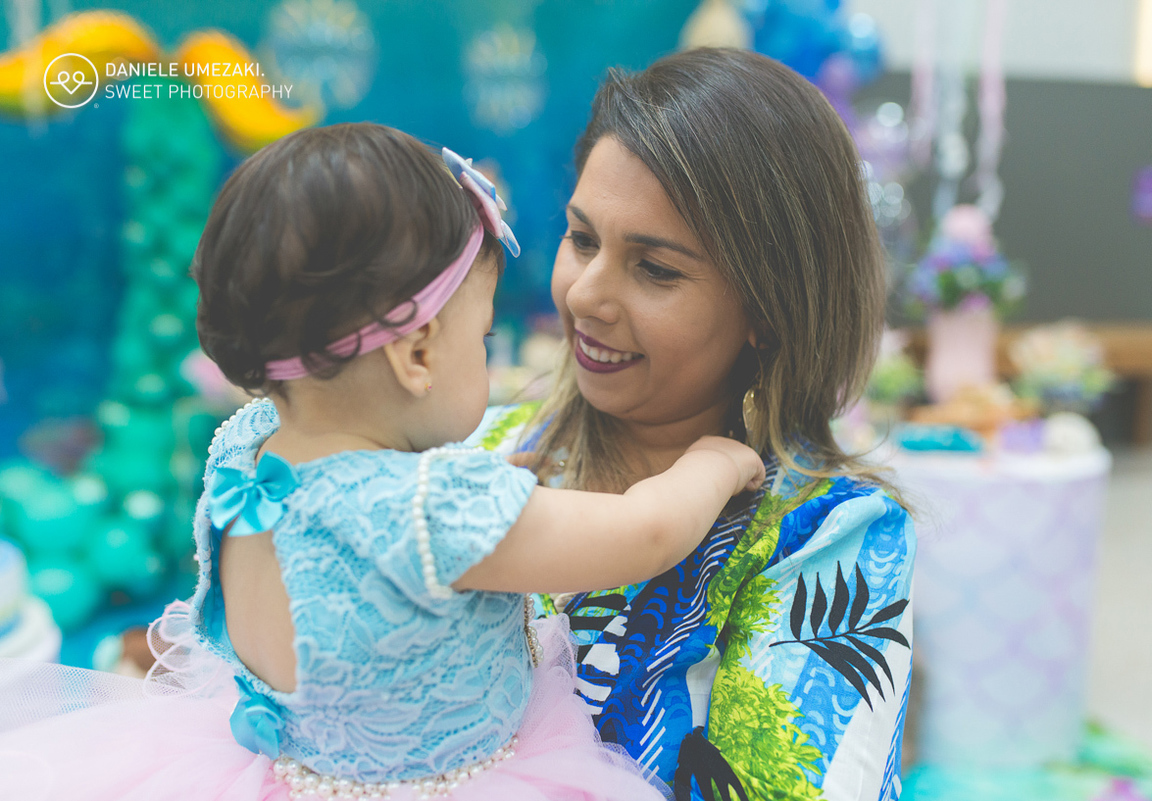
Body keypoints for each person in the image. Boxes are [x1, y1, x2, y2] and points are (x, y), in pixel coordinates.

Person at [0, 123, 767, 801]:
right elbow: (644, 531)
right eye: (483, 343)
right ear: (419, 353)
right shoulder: (429, 509)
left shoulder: (243, 449)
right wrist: (717, 461)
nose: (487, 362)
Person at [471, 48, 916, 801]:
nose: (586, 294)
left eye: (656, 270)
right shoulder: (484, 448)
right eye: (582, 239)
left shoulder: (827, 530)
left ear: (769, 311)